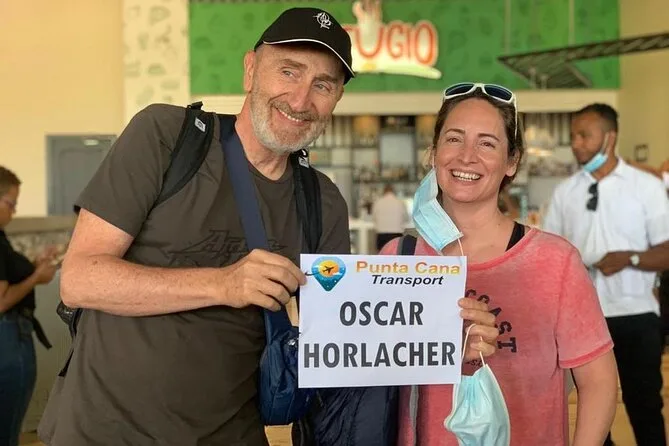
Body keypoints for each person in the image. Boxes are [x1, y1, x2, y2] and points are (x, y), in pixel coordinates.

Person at [38, 9, 497, 446]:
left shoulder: (322, 201)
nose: (300, 100)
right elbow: (80, 280)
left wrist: (441, 338)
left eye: (322, 84)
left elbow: (338, 340)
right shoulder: (166, 137)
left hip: (233, 435)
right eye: (288, 71)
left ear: (337, 99)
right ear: (251, 70)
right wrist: (224, 284)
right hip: (102, 430)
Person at [380, 83, 618, 445]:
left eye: (487, 144)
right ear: (434, 153)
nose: (467, 156)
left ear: (512, 162)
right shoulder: (397, 259)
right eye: (454, 139)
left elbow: (599, 382)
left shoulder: (555, 262)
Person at [544, 103, 669, 446]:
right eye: (573, 136)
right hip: (583, 319)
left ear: (610, 138)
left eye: (584, 136)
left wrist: (629, 258)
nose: (576, 144)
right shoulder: (565, 192)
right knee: (593, 410)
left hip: (636, 315)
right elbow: (549, 253)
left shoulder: (646, 187)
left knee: (645, 405)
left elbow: (666, 250)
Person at [0, 166, 57, 446]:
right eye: (11, 204)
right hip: (8, 339)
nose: (13, 212)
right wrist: (37, 278)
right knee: (7, 429)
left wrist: (35, 267)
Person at [371, 183, 409, 252]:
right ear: (393, 191)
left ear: (384, 191)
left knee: (382, 255)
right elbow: (406, 218)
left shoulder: (378, 202)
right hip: (396, 235)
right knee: (397, 255)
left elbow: (373, 217)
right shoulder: (400, 202)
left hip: (381, 235)